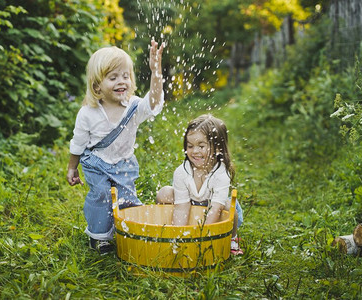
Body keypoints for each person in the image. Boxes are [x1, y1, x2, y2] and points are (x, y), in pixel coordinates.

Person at [67, 40, 165, 255]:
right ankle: (99, 237)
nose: (122, 82)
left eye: (125, 76)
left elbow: (154, 103)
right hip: (96, 163)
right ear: (97, 86)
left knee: (126, 198)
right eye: (113, 78)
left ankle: (127, 231)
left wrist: (155, 73)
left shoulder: (134, 106)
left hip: (124, 163)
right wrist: (72, 168)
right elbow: (78, 143)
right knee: (101, 195)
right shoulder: (88, 113)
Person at [156, 114, 244, 255]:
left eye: (201, 146)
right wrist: (178, 237)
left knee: (229, 208)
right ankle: (166, 228)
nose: (195, 151)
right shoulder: (182, 172)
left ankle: (232, 239)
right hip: (190, 204)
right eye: (190, 146)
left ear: (218, 148)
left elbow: (215, 209)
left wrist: (201, 240)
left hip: (215, 208)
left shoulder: (221, 174)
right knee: (164, 193)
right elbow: (181, 208)